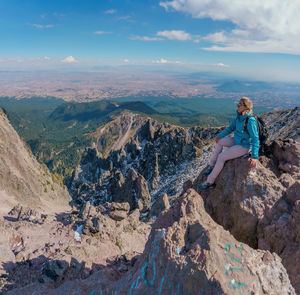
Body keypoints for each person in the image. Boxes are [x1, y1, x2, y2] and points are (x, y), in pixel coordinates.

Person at [198, 96, 259, 190]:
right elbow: (231, 128)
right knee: (220, 142)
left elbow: (255, 139)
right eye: (238, 104)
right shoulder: (239, 116)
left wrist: (254, 156)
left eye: (240, 104)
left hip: (244, 146)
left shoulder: (250, 121)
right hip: (237, 140)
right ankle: (212, 165)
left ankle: (210, 181)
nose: (237, 106)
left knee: (221, 157)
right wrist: (220, 136)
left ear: (246, 107)